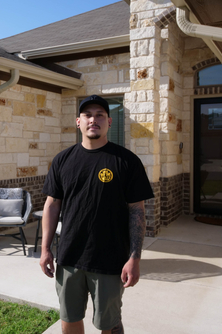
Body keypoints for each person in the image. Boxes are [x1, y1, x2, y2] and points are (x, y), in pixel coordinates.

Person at [40, 95, 154, 334]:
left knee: (109, 323)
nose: (94, 119)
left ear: (109, 122)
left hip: (111, 260)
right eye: (87, 115)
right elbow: (52, 205)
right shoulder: (62, 160)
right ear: (78, 122)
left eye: (100, 115)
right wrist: (45, 249)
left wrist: (135, 258)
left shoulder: (127, 161)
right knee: (69, 319)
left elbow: (137, 212)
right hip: (70, 257)